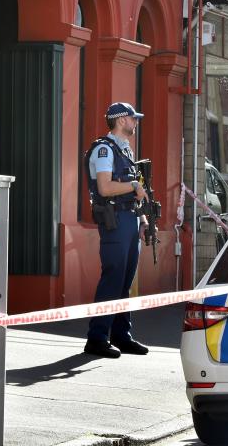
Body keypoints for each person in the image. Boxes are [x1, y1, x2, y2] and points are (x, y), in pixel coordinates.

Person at [83, 102, 151, 358]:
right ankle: (97, 337)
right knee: (113, 277)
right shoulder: (104, 150)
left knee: (125, 281)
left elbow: (136, 192)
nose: (136, 122)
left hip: (130, 219)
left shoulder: (125, 150)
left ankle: (122, 335)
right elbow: (105, 188)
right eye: (134, 118)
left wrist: (143, 219)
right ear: (121, 120)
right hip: (115, 221)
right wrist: (133, 185)